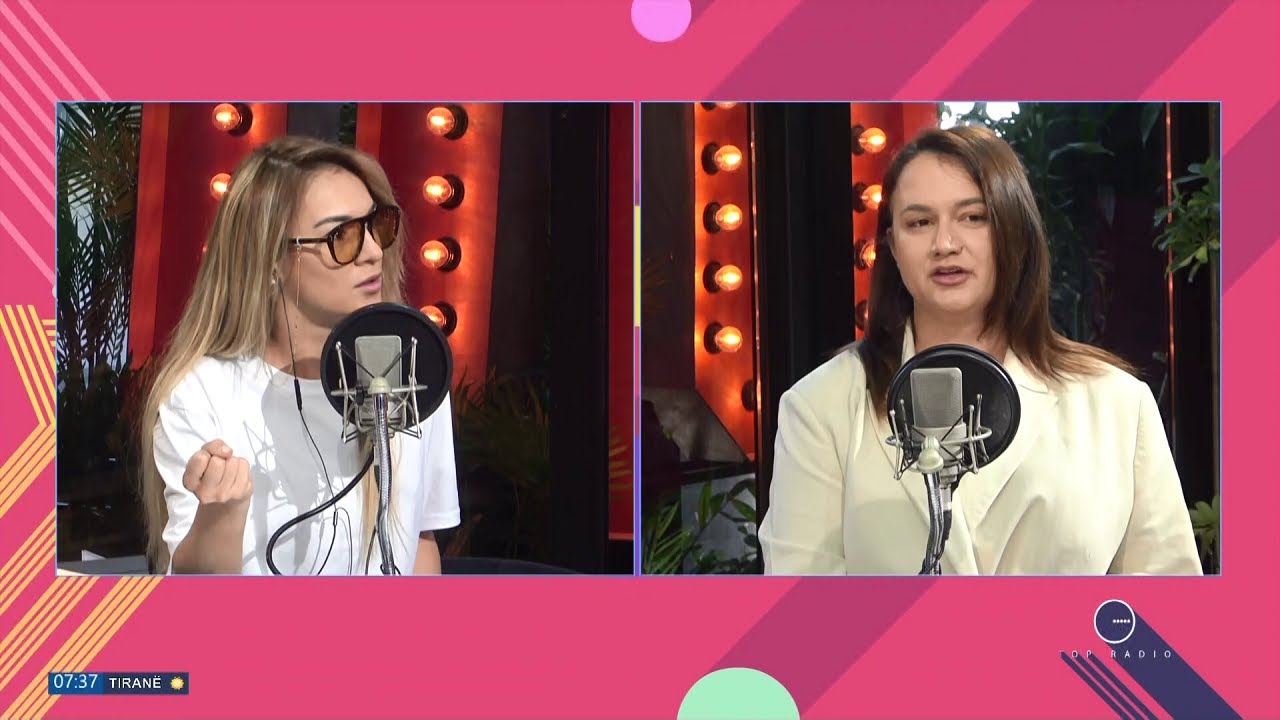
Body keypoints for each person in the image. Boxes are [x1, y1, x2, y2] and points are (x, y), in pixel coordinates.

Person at [758, 125, 1202, 576]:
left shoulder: (1116, 404)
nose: (945, 244)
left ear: (1014, 230)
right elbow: (799, 607)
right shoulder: (821, 406)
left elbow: (1167, 604)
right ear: (891, 245)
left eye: (973, 217)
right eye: (919, 222)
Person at [138, 136, 460, 575]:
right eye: (341, 236)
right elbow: (196, 589)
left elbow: (420, 542)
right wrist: (221, 517)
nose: (372, 252)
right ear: (271, 258)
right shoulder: (201, 394)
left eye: (377, 225)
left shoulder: (411, 368)